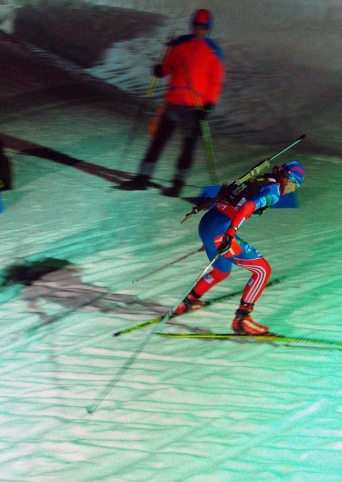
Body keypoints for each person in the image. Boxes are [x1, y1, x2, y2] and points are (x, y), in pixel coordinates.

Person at [173, 160, 305, 335]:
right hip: (219, 232)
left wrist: (213, 236)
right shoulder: (273, 192)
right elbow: (248, 206)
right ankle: (242, 319)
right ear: (288, 180)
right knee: (262, 270)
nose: (294, 189)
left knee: (222, 271)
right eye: (296, 185)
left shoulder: (263, 179)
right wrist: (230, 234)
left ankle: (188, 302)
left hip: (207, 224)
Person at [117, 8, 224, 197]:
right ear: (193, 26)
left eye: (203, 27)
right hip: (174, 102)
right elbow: (169, 66)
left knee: (187, 146)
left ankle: (178, 184)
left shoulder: (214, 52)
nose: (200, 30)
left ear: (208, 29)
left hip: (195, 107)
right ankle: (142, 178)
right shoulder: (180, 45)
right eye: (197, 26)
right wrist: (161, 70)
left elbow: (215, 81)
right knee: (158, 141)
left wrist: (209, 105)